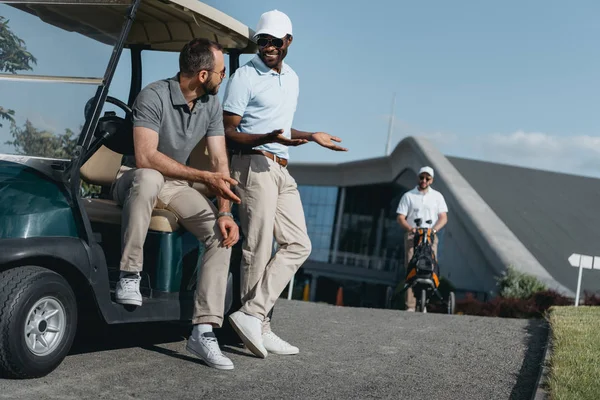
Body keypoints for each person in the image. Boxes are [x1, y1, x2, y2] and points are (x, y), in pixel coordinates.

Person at [222, 9, 347, 358]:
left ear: (288, 41)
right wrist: (267, 137)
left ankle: (253, 316)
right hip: (252, 164)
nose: (268, 47)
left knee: (299, 244)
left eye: (275, 41)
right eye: (262, 40)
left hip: (281, 166)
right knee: (258, 249)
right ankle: (256, 325)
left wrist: (311, 135)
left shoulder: (292, 78)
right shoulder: (244, 77)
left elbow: (283, 130)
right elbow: (228, 132)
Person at [110, 38, 241, 370]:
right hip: (134, 177)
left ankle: (203, 330)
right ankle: (129, 273)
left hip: (175, 185)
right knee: (150, 177)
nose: (223, 76)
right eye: (221, 71)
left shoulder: (210, 104)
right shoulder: (153, 96)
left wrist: (225, 212)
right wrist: (203, 175)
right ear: (202, 74)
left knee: (219, 233)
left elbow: (219, 162)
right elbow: (146, 157)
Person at [396, 166, 448, 311]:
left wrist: (434, 229)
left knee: (430, 265)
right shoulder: (409, 196)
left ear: (431, 180)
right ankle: (411, 306)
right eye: (422, 178)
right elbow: (400, 217)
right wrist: (410, 228)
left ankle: (425, 302)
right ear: (418, 178)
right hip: (413, 234)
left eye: (427, 178)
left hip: (430, 235)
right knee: (411, 268)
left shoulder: (437, 197)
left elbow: (443, 217)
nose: (424, 180)